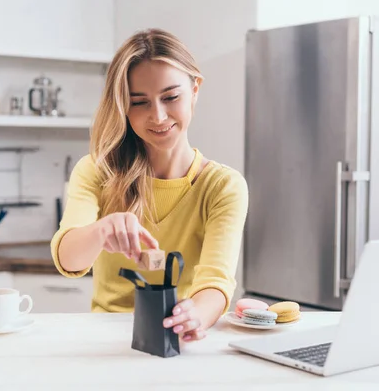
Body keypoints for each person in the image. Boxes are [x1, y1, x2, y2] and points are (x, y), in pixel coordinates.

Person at [50, 28, 248, 342]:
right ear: (123, 107)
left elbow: (216, 283)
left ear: (195, 89)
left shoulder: (223, 186)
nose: (157, 116)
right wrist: (102, 230)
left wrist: (195, 315)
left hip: (177, 338)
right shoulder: (96, 171)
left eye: (171, 97)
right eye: (139, 102)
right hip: (104, 342)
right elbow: (68, 258)